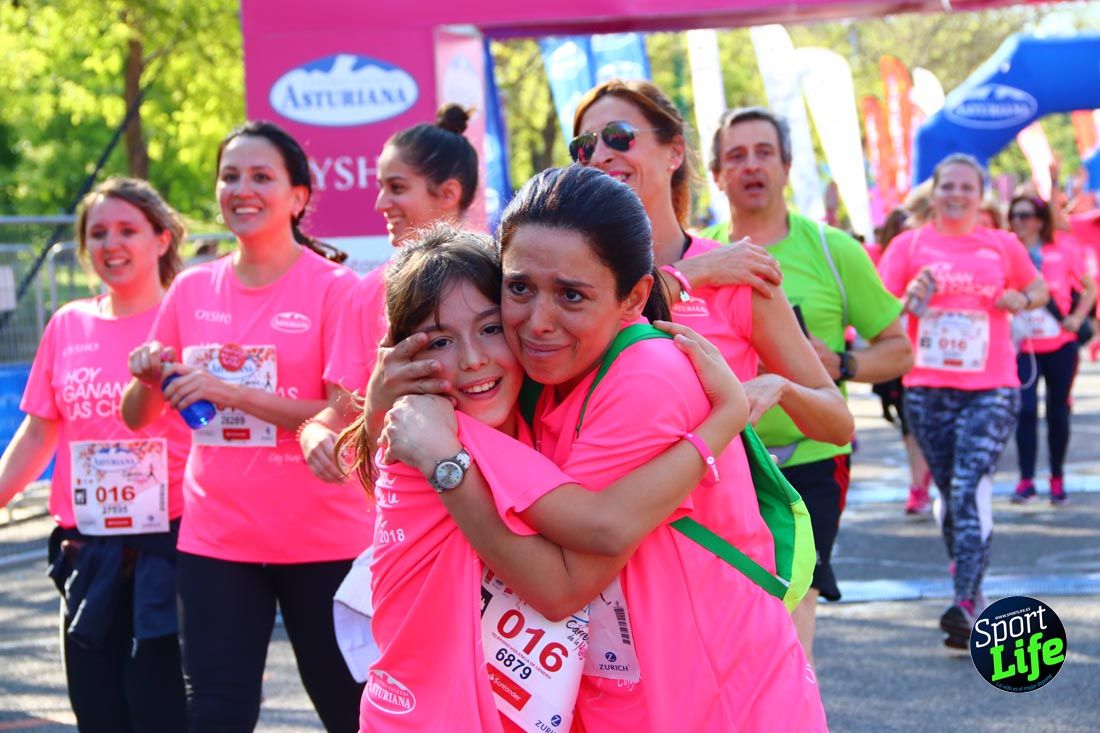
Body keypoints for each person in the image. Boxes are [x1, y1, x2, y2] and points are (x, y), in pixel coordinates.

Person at [376, 166, 827, 731]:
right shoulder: (539, 375)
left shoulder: (646, 376)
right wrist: (381, 395)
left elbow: (567, 576)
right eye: (519, 288)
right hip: (625, 702)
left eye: (570, 295)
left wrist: (448, 466)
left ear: (633, 297)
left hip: (712, 704)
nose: (537, 322)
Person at [336, 223, 747, 732]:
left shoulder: (511, 427)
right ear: (408, 358)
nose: (472, 359)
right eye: (441, 340)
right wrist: (726, 418)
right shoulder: (446, 435)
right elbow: (594, 541)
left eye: (490, 329)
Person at [121, 121, 370, 732]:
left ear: (298, 196)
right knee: (214, 712)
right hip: (217, 539)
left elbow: (347, 413)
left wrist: (232, 393)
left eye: (262, 176)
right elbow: (136, 417)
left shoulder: (337, 289)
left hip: (325, 540)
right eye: (230, 176)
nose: (242, 188)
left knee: (350, 711)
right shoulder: (190, 287)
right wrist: (147, 376)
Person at [701, 106, 913, 664]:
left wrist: (840, 365)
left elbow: (899, 350)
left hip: (814, 457)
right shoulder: (703, 258)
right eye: (736, 156)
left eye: (764, 153)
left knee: (792, 613)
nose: (751, 166)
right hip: (727, 461)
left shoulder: (831, 250)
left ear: (788, 166)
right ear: (717, 173)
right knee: (734, 621)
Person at [0, 178, 189, 732]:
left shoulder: (189, 317)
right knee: (99, 710)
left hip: (174, 546)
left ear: (162, 237)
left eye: (127, 229)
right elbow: (39, 434)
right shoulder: (68, 324)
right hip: (87, 550)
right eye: (97, 233)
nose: (111, 244)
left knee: (162, 709)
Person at [569, 79, 853, 446]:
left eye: (619, 135)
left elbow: (838, 424)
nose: (600, 154)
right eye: (584, 145)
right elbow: (603, 322)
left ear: (674, 152)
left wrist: (780, 387)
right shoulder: (562, 271)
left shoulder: (739, 273)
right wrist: (694, 273)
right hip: (596, 499)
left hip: (719, 500)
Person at [878, 153, 1049, 648]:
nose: (956, 194)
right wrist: (910, 297)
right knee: (951, 494)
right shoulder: (909, 246)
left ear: (981, 195)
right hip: (927, 388)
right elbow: (881, 310)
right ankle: (968, 585)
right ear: (934, 193)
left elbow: (1036, 288)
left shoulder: (1001, 245)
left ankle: (965, 601)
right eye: (948, 185)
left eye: (966, 188)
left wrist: (1023, 299)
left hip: (991, 387)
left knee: (969, 484)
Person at [299, 103, 479, 483]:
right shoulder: (369, 291)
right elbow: (345, 408)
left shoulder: (500, 276)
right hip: (406, 509)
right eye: (381, 187)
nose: (381, 203)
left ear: (448, 193)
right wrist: (313, 432)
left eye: (397, 187)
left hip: (502, 497)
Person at [1006, 194, 1095, 504]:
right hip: (1023, 346)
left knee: (1058, 412)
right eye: (1014, 215)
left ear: (1040, 220)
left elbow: (1090, 286)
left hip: (1060, 345)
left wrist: (1077, 317)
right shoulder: (1006, 250)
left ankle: (1057, 476)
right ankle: (1026, 479)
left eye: (1026, 215)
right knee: (1026, 410)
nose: (1019, 221)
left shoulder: (1062, 247)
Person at [873, 207, 936, 515]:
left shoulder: (939, 255)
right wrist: (907, 300)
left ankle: (932, 476)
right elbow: (878, 313)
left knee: (932, 428)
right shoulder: (887, 259)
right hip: (901, 357)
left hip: (940, 360)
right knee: (910, 426)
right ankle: (918, 484)